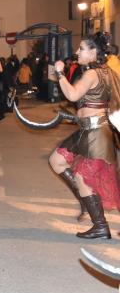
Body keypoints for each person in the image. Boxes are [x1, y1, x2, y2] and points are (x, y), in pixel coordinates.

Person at [49, 32, 120, 239]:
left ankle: (100, 226)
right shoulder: (107, 71)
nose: (77, 52)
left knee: (83, 178)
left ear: (93, 51)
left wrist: (60, 73)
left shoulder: (91, 74)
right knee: (57, 160)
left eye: (81, 48)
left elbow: (72, 95)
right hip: (89, 130)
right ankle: (85, 200)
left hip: (95, 132)